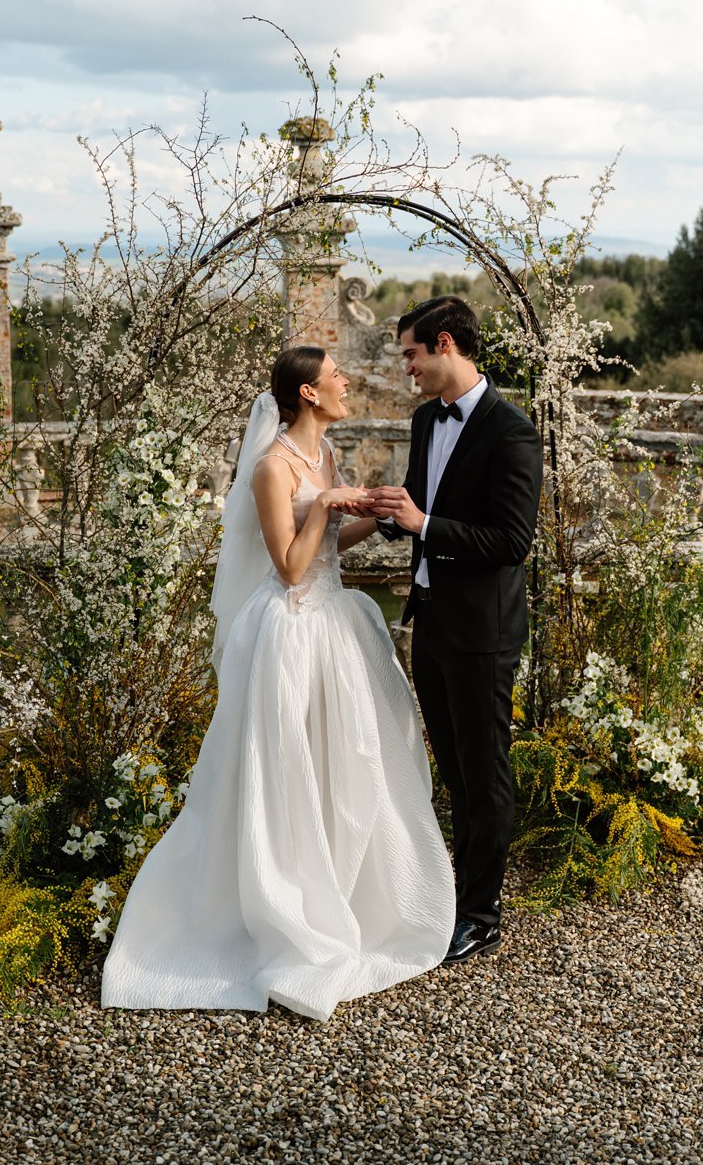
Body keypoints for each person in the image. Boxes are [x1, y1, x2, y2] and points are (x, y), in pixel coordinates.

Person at [102, 347, 454, 1020]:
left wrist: (371, 515)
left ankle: (344, 892)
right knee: (282, 771)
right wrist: (324, 503)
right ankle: (280, 910)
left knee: (342, 766)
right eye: (335, 376)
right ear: (308, 392)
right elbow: (291, 568)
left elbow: (325, 547)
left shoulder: (324, 456)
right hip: (289, 633)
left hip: (335, 627)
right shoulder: (270, 468)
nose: (347, 381)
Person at [360, 296, 542, 965]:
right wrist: (386, 513)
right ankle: (452, 896)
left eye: (410, 353)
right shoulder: (422, 420)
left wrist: (425, 525)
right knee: (453, 774)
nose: (405, 366)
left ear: (443, 344)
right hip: (430, 621)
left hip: (484, 632)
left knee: (485, 773)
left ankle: (482, 916)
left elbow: (512, 541)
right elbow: (419, 508)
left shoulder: (512, 431)